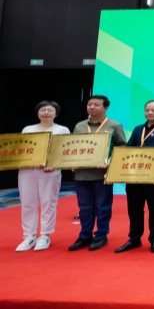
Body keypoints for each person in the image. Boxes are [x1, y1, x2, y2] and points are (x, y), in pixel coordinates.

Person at [115, 100, 154, 254]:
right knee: (134, 209)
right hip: (134, 174)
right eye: (147, 110)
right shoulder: (138, 129)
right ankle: (134, 238)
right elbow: (128, 149)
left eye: (153, 110)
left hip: (153, 175)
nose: (150, 113)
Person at [69, 95, 127, 251]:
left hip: (102, 174)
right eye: (90, 104)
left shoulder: (114, 125)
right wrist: (70, 162)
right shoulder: (80, 126)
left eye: (96, 105)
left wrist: (110, 161)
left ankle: (101, 235)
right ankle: (85, 235)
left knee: (103, 206)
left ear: (105, 108)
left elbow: (122, 147)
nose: (92, 107)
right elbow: (72, 146)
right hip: (82, 173)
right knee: (84, 207)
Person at [15, 101, 71, 252]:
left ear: (56, 113)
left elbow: (64, 151)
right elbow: (22, 149)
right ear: (37, 113)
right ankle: (29, 235)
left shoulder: (62, 130)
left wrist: (53, 164)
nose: (46, 112)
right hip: (27, 170)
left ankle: (45, 234)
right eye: (42, 110)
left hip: (49, 170)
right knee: (27, 202)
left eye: (50, 110)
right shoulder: (28, 129)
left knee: (48, 202)